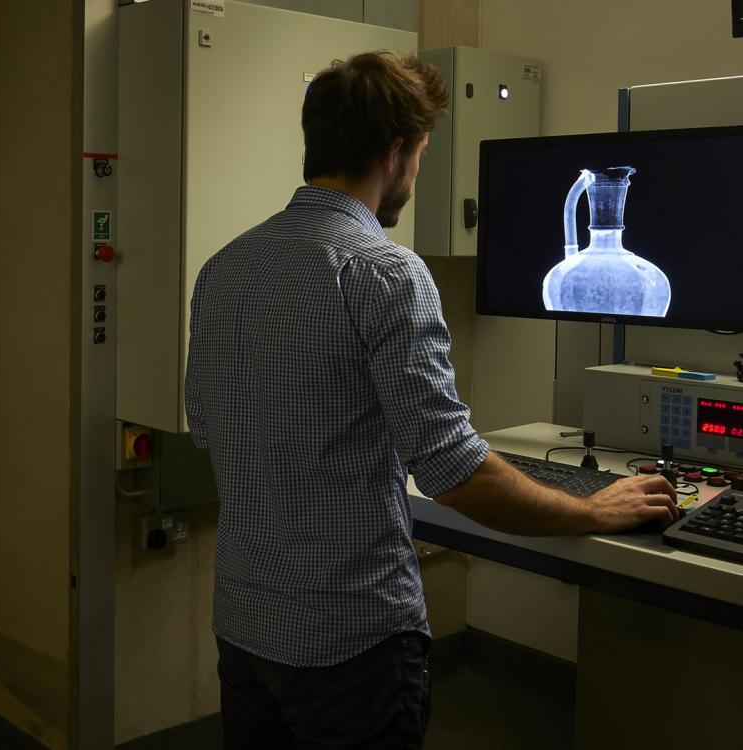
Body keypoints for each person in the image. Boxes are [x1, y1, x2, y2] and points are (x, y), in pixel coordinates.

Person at [185, 51, 678, 750]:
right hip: (352, 648)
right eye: (419, 152)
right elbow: (455, 474)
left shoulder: (224, 268)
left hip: (245, 631)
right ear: (396, 152)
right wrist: (590, 508)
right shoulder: (385, 271)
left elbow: (208, 426)